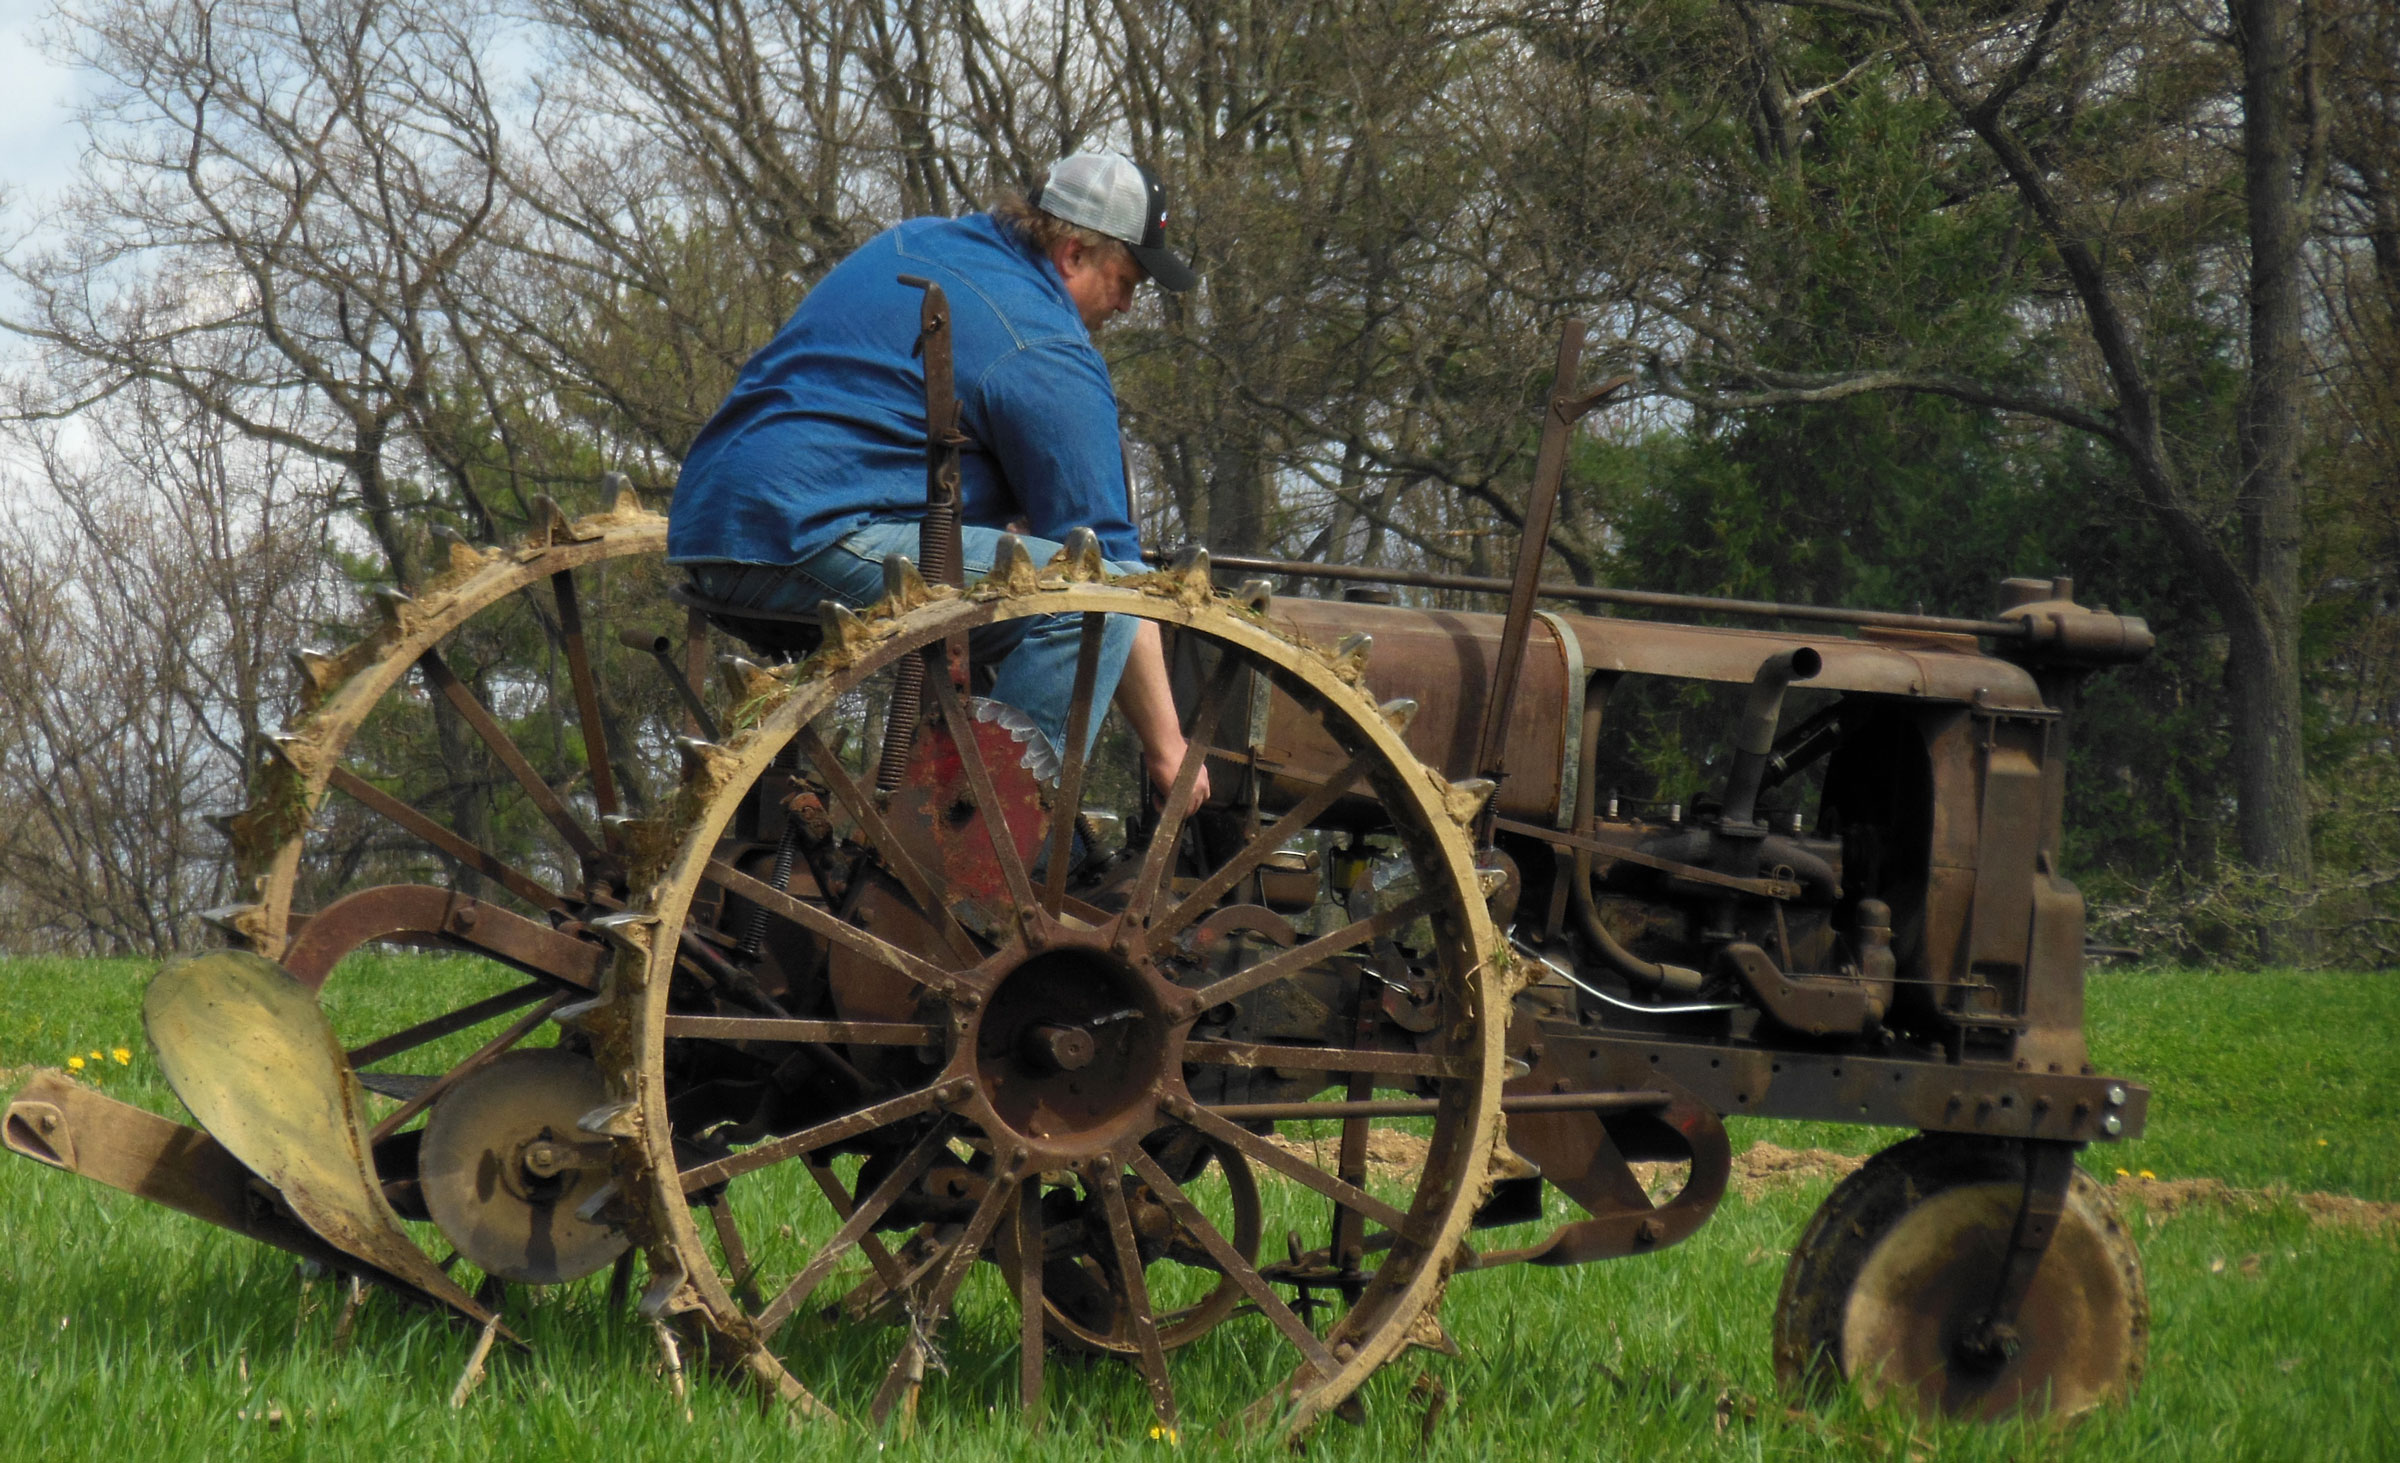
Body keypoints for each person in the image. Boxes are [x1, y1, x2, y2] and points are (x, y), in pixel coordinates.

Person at [669, 151, 1208, 802]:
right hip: (808, 529)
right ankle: (974, 867)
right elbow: (1112, 575)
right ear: (1073, 254)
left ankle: (921, 814)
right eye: (1125, 280)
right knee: (1093, 607)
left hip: (709, 517)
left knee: (1035, 582)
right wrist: (1168, 747)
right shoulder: (1045, 349)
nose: (1125, 304)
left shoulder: (921, 239)